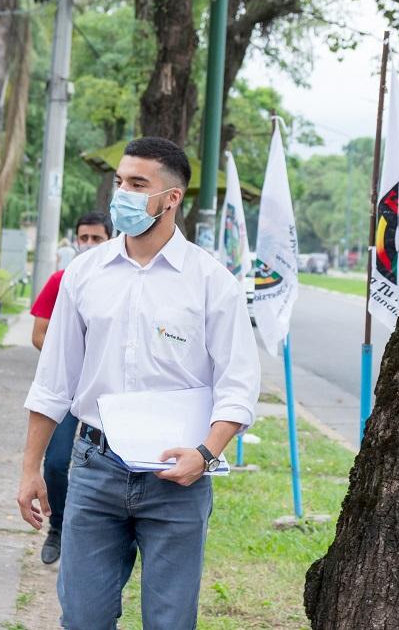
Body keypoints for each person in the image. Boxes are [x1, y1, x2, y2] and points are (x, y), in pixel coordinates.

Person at [16, 137, 260, 629]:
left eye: (137, 184)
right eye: (120, 182)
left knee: (169, 621)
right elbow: (54, 380)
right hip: (95, 468)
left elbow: (237, 385)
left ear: (171, 199)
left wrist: (206, 454)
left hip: (178, 475)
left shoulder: (212, 283)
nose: (122, 193)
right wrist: (30, 468)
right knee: (83, 618)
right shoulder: (85, 273)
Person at [29, 211, 113, 564]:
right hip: (66, 390)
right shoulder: (62, 280)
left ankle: (98, 536)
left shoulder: (120, 281)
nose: (89, 244)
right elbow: (38, 335)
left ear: (111, 239)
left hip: (107, 396)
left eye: (97, 238)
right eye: (84, 238)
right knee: (56, 462)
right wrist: (74, 357)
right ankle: (58, 527)